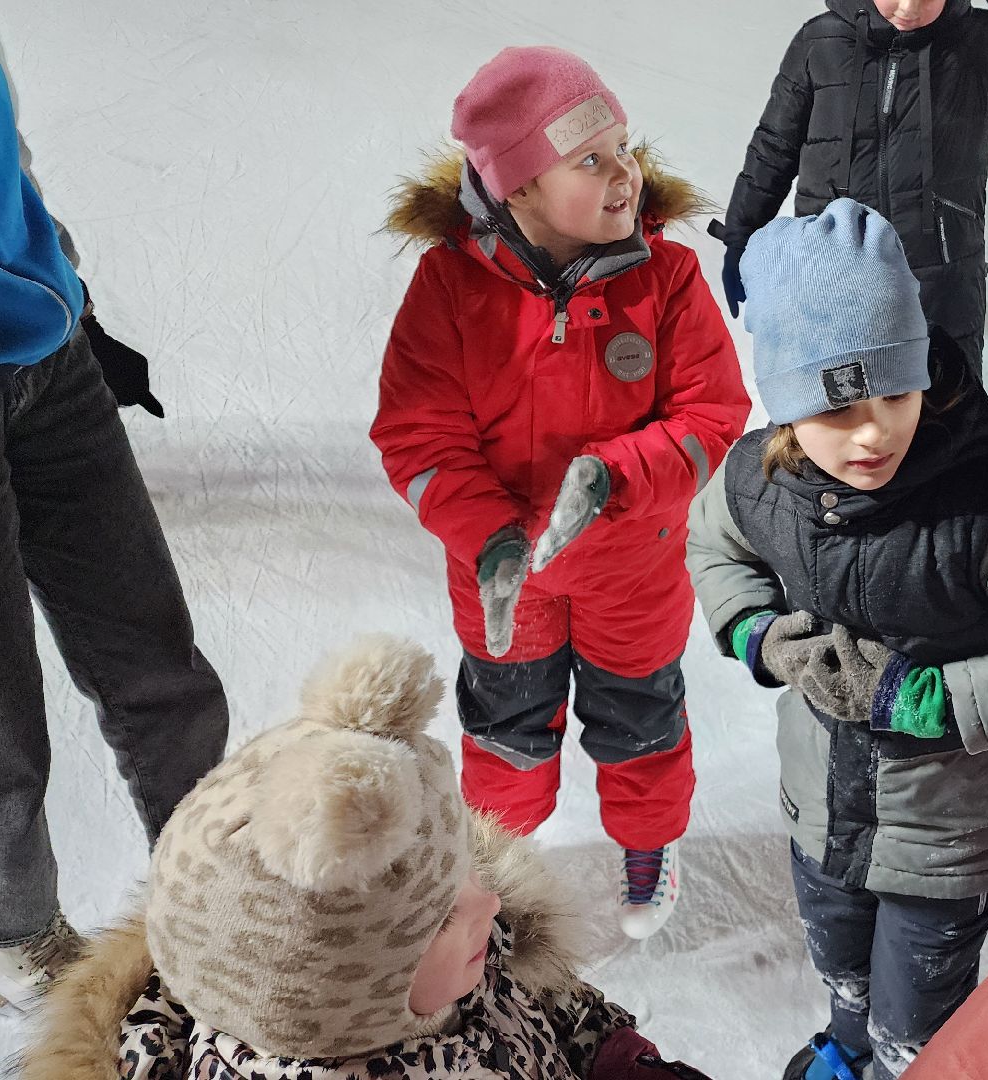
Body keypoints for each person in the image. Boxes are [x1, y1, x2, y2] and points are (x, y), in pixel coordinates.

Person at [686, 200, 988, 1079]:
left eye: (895, 389)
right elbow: (712, 546)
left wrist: (921, 699)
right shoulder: (754, 482)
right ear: (783, 407)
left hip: (944, 837)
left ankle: (899, 1064)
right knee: (843, 969)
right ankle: (848, 1047)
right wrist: (758, 634)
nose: (872, 430)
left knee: (916, 1014)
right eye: (834, 406)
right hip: (821, 808)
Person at [372, 47, 750, 940]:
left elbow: (713, 413)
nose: (628, 174)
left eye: (623, 148)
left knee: (643, 722)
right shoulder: (450, 288)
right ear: (518, 190)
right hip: (508, 581)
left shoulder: (666, 276)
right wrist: (492, 538)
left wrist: (615, 476)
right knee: (505, 728)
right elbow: (419, 436)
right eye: (591, 160)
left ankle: (649, 843)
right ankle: (496, 863)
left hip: (634, 569)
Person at [0, 0, 228, 1013]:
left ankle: (222, 890)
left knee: (157, 662)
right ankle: (18, 945)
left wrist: (64, 281)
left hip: (46, 352)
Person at [14, 635, 712, 1080]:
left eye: (464, 870)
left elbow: (550, 1010)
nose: (488, 904)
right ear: (334, 992)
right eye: (442, 915)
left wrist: (620, 1057)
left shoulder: (455, 963)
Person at [714, 0, 988, 373]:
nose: (908, 8)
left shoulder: (973, 43)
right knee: (829, 408)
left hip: (939, 276)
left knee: (947, 414)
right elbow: (775, 147)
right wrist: (741, 235)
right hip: (831, 270)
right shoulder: (820, 41)